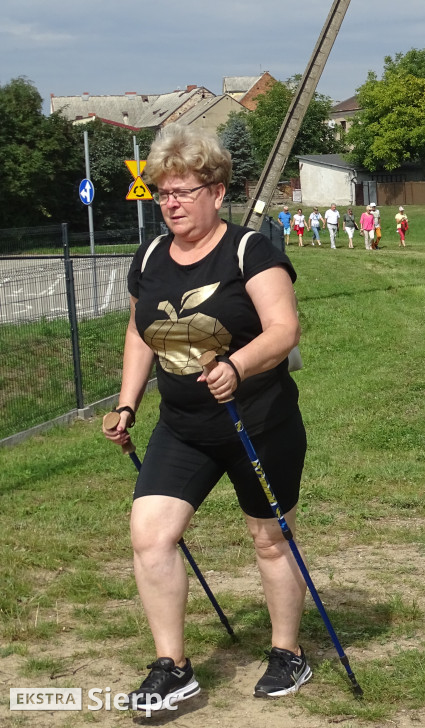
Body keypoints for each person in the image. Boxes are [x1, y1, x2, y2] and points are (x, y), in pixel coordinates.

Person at [102, 123, 311, 711]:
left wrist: (238, 368)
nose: (170, 203)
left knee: (270, 540)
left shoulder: (250, 251)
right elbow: (141, 333)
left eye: (182, 192)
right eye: (161, 193)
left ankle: (287, 653)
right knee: (150, 536)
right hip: (183, 427)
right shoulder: (149, 257)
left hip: (258, 423)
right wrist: (127, 403)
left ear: (216, 193)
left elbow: (284, 330)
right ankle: (174, 667)